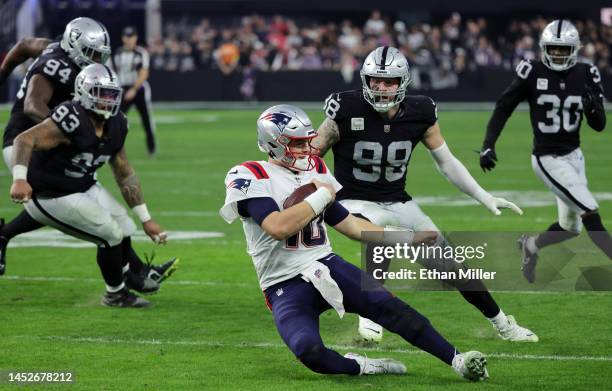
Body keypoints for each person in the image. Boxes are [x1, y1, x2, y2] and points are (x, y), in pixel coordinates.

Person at [219, 104, 488, 380]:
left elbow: (349, 224)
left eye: (306, 142)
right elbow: (277, 227)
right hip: (283, 284)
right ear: (273, 144)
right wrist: (320, 197)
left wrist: (405, 237)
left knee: (392, 309)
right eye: (296, 144)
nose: (305, 150)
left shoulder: (316, 169)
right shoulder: (250, 174)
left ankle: (458, 360)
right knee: (309, 351)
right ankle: (363, 366)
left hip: (327, 264)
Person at [312, 46, 537, 343]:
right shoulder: (345, 108)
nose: (380, 88)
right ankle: (370, 318)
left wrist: (484, 195)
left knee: (453, 265)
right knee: (383, 237)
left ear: (403, 81)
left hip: (398, 199)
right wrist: (320, 193)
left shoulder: (421, 111)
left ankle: (502, 324)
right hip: (355, 200)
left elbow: (447, 162)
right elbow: (311, 155)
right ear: (365, 79)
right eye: (375, 80)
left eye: (389, 81)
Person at [0, 19, 176, 288]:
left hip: (54, 136)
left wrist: (3, 73)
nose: (96, 60)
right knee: (61, 196)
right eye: (92, 54)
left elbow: (24, 46)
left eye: (100, 55)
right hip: (25, 141)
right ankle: (133, 275)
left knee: (71, 193)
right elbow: (32, 105)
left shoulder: (56, 47)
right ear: (73, 45)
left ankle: (137, 271)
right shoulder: (56, 65)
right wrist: (70, 128)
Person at [479, 20, 609, 282]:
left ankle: (531, 245)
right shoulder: (532, 72)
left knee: (570, 228)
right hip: (547, 158)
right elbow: (505, 106)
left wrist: (593, 108)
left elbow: (599, 126)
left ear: (574, 49)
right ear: (543, 48)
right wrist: (488, 143)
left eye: (563, 49)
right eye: (553, 49)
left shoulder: (587, 73)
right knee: (590, 213)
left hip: (575, 157)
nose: (558, 54)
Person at [110, 26, 156, 156]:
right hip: (123, 88)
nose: (129, 39)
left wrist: (134, 89)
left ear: (136, 37)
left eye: (131, 36)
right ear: (123, 38)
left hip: (139, 89)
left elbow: (144, 73)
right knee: (117, 119)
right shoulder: (117, 53)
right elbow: (114, 72)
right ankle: (114, 148)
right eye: (127, 36)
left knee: (146, 119)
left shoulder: (141, 53)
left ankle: (151, 148)